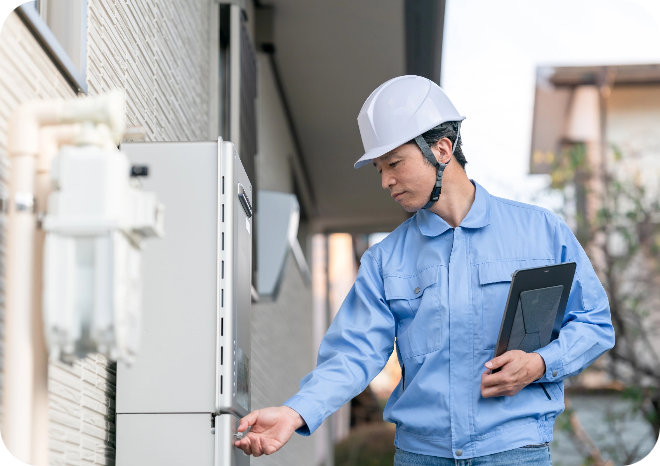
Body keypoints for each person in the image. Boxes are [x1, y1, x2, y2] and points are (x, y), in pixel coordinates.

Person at [234, 76, 615, 465]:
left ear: (442, 149)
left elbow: (594, 323)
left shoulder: (541, 233)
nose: (386, 181)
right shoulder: (386, 260)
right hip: (422, 456)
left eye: (394, 164)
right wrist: (296, 412)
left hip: (515, 451)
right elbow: (354, 353)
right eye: (379, 169)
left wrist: (541, 363)